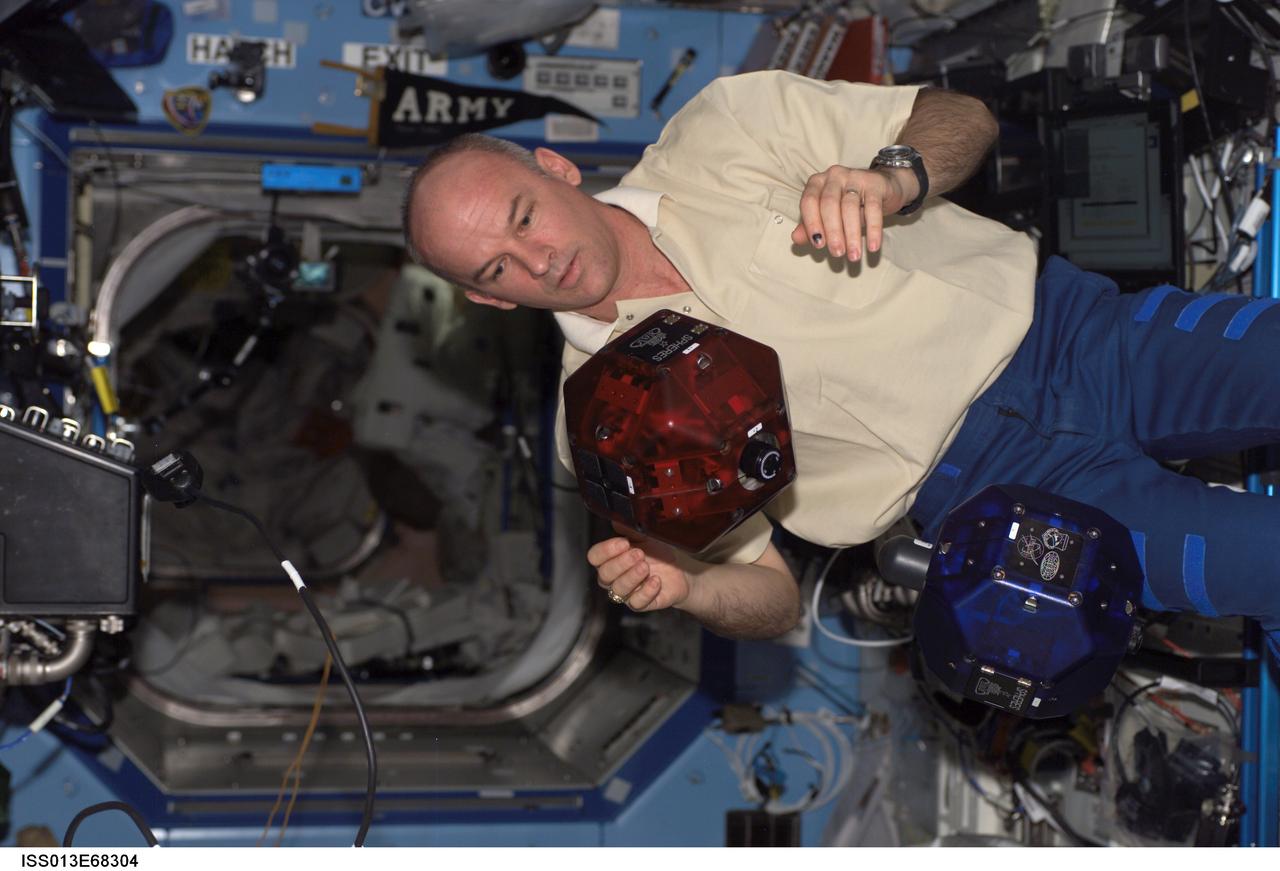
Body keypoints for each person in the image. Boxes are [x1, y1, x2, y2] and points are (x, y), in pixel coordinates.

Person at [403, 70, 1280, 657]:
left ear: (555, 169)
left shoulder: (725, 129)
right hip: (1000, 503)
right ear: (488, 300)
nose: (535, 260)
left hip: (1081, 340)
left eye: (523, 217)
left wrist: (897, 177)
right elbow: (774, 598)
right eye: (495, 269)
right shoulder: (601, 431)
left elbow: (956, 114)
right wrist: (695, 583)